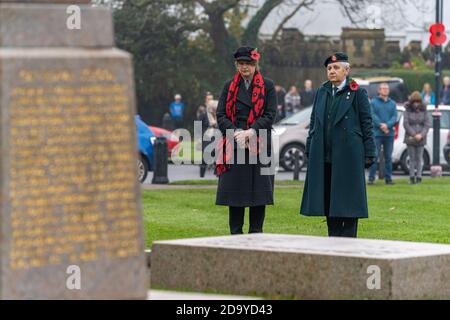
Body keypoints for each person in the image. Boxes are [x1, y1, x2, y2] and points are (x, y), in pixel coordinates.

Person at [300, 52, 376, 238]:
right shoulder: (322, 91)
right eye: (329, 68)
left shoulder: (357, 92)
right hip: (325, 155)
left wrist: (370, 152)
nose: (332, 71)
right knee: (328, 200)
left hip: (349, 155)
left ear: (346, 70)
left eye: (336, 68)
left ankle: (349, 240)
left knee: (348, 201)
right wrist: (310, 148)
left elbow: (367, 122)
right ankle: (333, 238)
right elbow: (314, 122)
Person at [215, 46, 276, 235]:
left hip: (259, 143)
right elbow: (221, 115)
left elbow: (270, 114)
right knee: (236, 195)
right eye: (241, 64)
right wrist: (236, 133)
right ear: (236, 65)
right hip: (235, 145)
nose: (244, 67)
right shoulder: (229, 86)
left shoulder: (268, 85)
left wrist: (251, 132)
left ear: (255, 64)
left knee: (258, 195)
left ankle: (256, 235)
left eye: (248, 64)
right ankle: (235, 236)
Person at [368, 83, 398, 185]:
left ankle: (388, 178)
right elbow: (372, 115)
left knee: (388, 157)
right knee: (374, 156)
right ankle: (371, 178)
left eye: (387, 88)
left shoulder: (392, 103)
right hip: (376, 134)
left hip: (389, 134)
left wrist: (387, 125)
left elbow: (394, 117)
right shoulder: (373, 102)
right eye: (383, 88)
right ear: (379, 90)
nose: (385, 90)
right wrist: (381, 126)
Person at [403, 91, 430, 184]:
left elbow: (427, 124)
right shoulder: (407, 110)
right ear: (411, 101)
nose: (416, 104)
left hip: (421, 138)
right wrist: (414, 134)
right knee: (412, 158)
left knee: (419, 158)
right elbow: (406, 124)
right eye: (414, 101)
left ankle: (419, 177)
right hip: (410, 137)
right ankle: (411, 177)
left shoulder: (424, 110)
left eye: (418, 101)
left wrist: (421, 135)